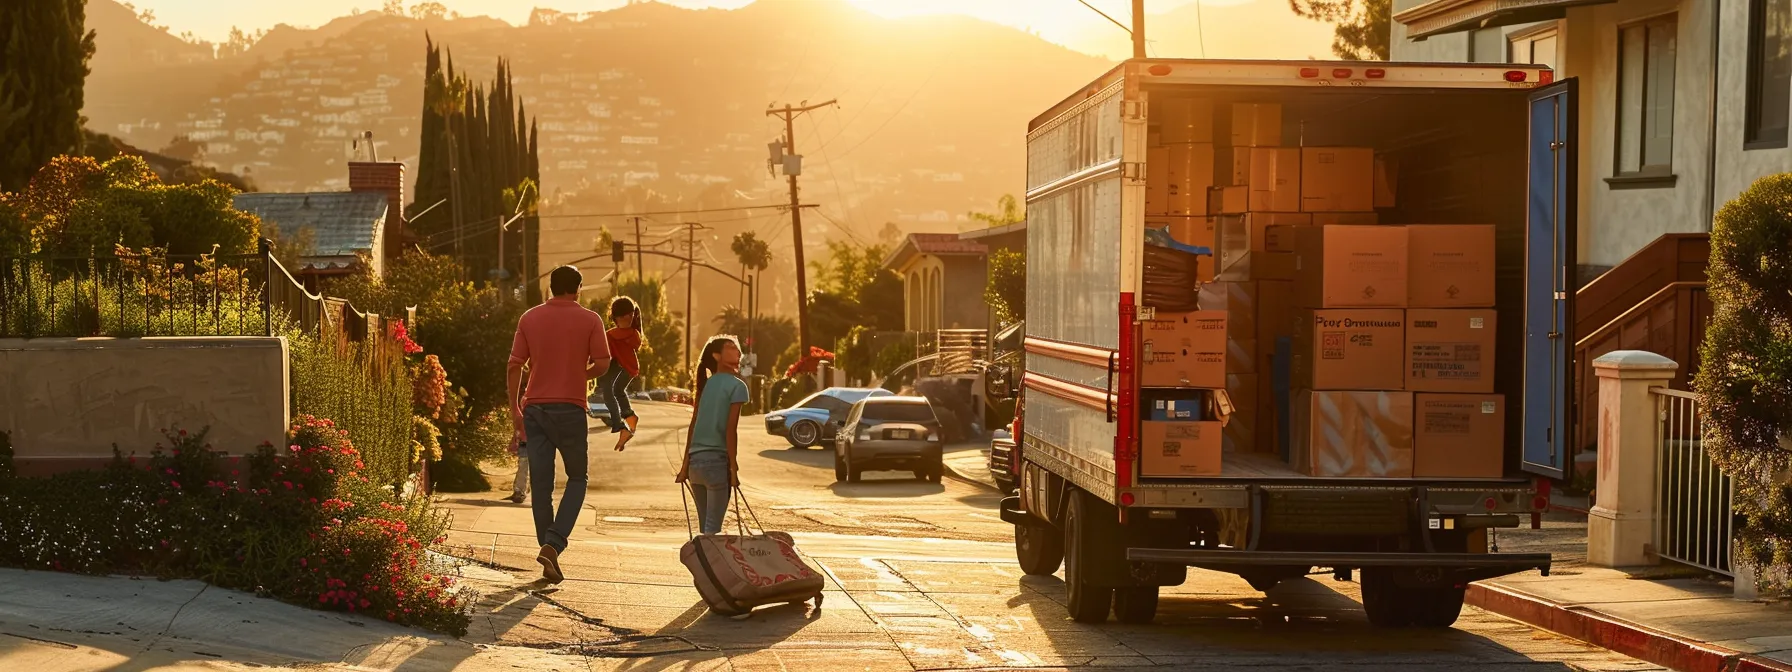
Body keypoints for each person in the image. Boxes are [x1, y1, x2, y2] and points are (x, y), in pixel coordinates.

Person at [507, 265, 610, 583]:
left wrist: (514, 410)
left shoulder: (529, 318)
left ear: (551, 287)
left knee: (541, 485)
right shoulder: (591, 320)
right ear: (578, 288)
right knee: (577, 479)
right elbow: (603, 363)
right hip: (571, 410)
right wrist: (581, 374)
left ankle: (547, 548)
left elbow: (514, 365)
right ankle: (554, 544)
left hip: (535, 409)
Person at [677, 335, 747, 535]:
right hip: (716, 463)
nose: (737, 351)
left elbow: (694, 425)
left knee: (705, 529)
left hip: (695, 466)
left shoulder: (705, 385)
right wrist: (733, 469)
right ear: (717, 356)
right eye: (730, 347)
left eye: (737, 347)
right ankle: (709, 566)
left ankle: (704, 565)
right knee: (711, 530)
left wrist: (685, 468)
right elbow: (730, 429)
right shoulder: (737, 386)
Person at [597, 296, 643, 450]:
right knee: (608, 389)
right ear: (616, 317)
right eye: (625, 316)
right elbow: (606, 351)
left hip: (627, 366)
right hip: (616, 364)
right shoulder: (610, 335)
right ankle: (623, 423)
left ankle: (627, 418)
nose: (628, 319)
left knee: (616, 390)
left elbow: (634, 342)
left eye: (631, 315)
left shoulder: (630, 334)